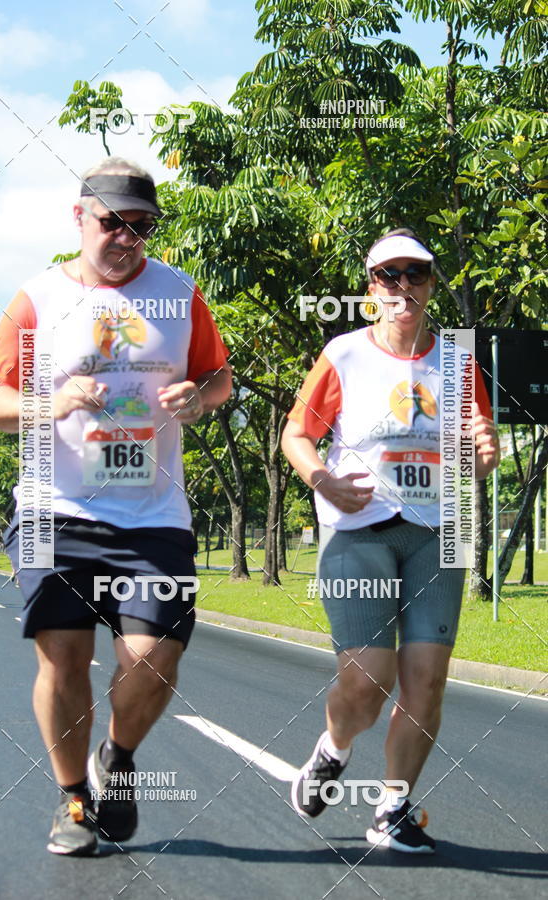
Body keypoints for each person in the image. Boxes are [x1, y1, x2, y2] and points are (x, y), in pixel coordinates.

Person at [0, 158, 232, 856]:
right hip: (54, 509)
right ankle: (74, 800)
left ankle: (115, 757)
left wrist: (199, 398)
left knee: (154, 658)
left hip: (153, 515)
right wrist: (50, 400)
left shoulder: (178, 294)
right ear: (79, 218)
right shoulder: (39, 300)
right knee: (63, 657)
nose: (127, 238)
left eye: (142, 226)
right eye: (114, 222)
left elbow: (219, 377)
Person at [282, 228, 499, 853]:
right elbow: (297, 434)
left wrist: (484, 454)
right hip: (358, 529)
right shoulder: (345, 354)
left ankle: (393, 808)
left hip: (439, 531)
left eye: (416, 274)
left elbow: (476, 449)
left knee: (426, 681)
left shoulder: (458, 362)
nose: (403, 286)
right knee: (368, 683)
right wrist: (321, 478)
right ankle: (334, 748)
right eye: (389, 275)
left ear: (431, 283)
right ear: (371, 286)